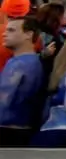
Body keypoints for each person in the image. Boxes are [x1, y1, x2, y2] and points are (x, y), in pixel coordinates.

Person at [0, 17, 45, 147]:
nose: (4, 33)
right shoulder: (24, 61)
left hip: (9, 132)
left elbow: (4, 100)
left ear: (28, 34)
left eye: (11, 30)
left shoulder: (22, 64)